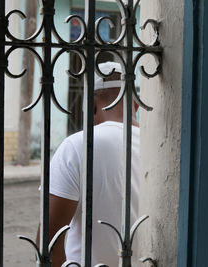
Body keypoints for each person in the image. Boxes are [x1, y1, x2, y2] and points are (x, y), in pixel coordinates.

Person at [37, 62, 140, 267]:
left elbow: (48, 242)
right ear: (136, 105)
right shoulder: (158, 148)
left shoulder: (79, 146)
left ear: (91, 105)